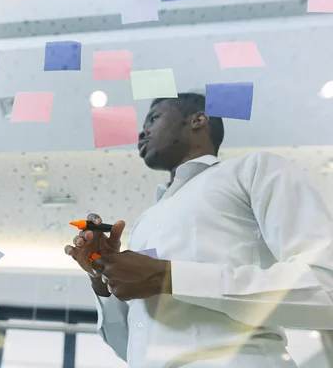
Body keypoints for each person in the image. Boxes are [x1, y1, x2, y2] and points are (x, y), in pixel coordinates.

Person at [65, 93, 333, 367]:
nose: (142, 131)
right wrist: (103, 277)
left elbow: (325, 287)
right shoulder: (146, 219)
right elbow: (131, 348)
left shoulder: (254, 170)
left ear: (198, 120)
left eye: (154, 118)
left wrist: (168, 276)